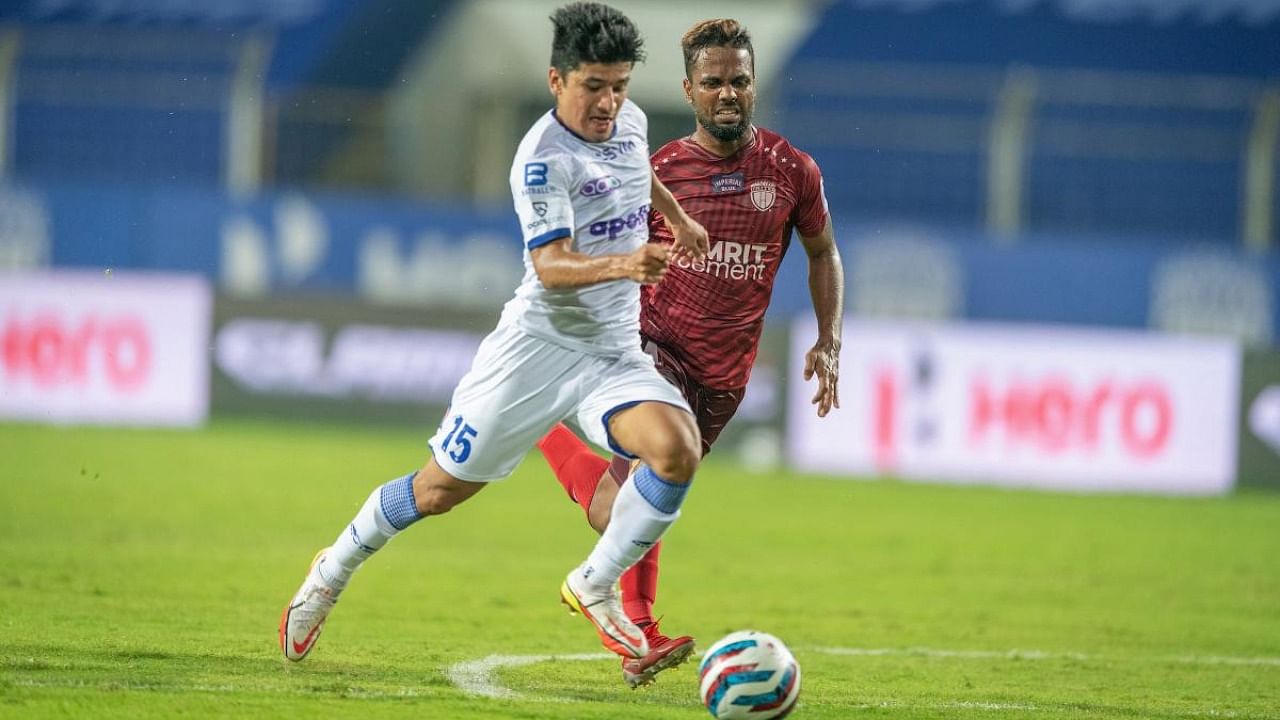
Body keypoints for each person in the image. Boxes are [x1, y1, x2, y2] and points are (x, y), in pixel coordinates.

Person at [279, 1, 710, 664]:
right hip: (537, 350)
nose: (608, 102)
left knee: (677, 451)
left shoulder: (630, 121)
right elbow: (550, 264)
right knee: (437, 491)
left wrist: (677, 218)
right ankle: (329, 572)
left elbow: (636, 171)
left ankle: (594, 585)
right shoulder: (541, 160)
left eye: (619, 86)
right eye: (593, 86)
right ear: (555, 81)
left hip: (611, 352)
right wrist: (629, 262)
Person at [535, 17, 844, 688]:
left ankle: (543, 430)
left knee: (624, 504)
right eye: (713, 83)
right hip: (653, 349)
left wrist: (829, 338)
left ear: (754, 85)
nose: (727, 93)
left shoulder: (792, 171)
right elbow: (598, 243)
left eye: (739, 81)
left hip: (724, 375)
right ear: (689, 89)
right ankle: (637, 629)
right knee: (660, 464)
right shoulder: (661, 173)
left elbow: (822, 252)